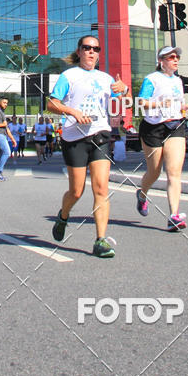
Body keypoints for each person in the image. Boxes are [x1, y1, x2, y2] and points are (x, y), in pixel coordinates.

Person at [48, 34, 128, 259]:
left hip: (100, 134)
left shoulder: (105, 78)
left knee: (101, 188)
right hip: (74, 138)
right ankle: (63, 216)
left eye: (96, 49)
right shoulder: (69, 76)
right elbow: (52, 103)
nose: (92, 52)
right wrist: (72, 111)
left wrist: (125, 89)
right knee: (77, 191)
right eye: (87, 48)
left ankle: (100, 240)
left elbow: (120, 98)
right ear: (79, 51)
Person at [135, 46, 188, 232]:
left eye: (177, 57)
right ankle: (142, 194)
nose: (176, 60)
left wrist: (184, 107)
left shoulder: (178, 81)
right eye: (171, 57)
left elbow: (178, 102)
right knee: (154, 172)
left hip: (175, 126)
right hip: (153, 128)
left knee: (174, 171)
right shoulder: (151, 79)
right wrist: (159, 103)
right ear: (161, 61)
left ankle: (174, 216)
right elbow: (141, 103)